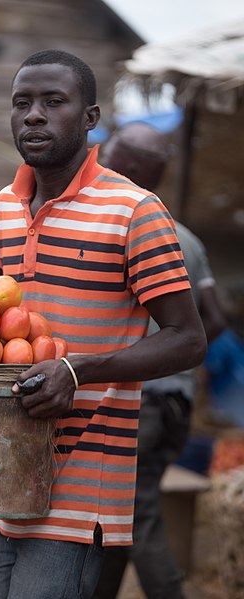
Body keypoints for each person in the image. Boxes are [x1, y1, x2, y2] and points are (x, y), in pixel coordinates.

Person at [0, 49, 207, 599]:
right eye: (22, 103)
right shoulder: (5, 208)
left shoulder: (134, 210)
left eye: (54, 102)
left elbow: (189, 338)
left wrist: (78, 371)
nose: (34, 115)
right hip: (1, 473)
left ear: (90, 118)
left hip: (80, 485)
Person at [93, 122, 226, 599]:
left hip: (141, 402)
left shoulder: (129, 227)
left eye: (104, 155)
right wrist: (174, 354)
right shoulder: (186, 238)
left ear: (124, 167)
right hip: (174, 404)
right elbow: (215, 318)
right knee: (113, 518)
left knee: (135, 515)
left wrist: (147, 357)